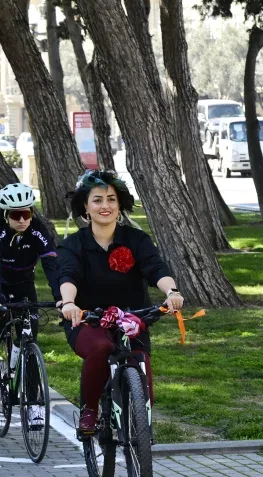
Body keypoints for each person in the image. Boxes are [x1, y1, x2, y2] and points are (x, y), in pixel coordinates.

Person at [57, 171, 184, 434]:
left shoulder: (136, 239)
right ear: (86, 206)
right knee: (102, 347)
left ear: (120, 205)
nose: (105, 206)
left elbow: (156, 268)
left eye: (111, 199)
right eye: (98, 200)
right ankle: (90, 410)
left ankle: (141, 428)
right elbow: (68, 275)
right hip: (87, 320)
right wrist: (68, 303)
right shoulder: (74, 244)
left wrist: (171, 292)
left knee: (139, 361)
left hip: (133, 319)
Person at [0, 184, 61, 410]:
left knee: (30, 337)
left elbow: (52, 266)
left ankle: (33, 405)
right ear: (6, 215)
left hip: (24, 283)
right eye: (16, 215)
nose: (23, 219)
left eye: (27, 213)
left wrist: (61, 297)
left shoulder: (38, 230)